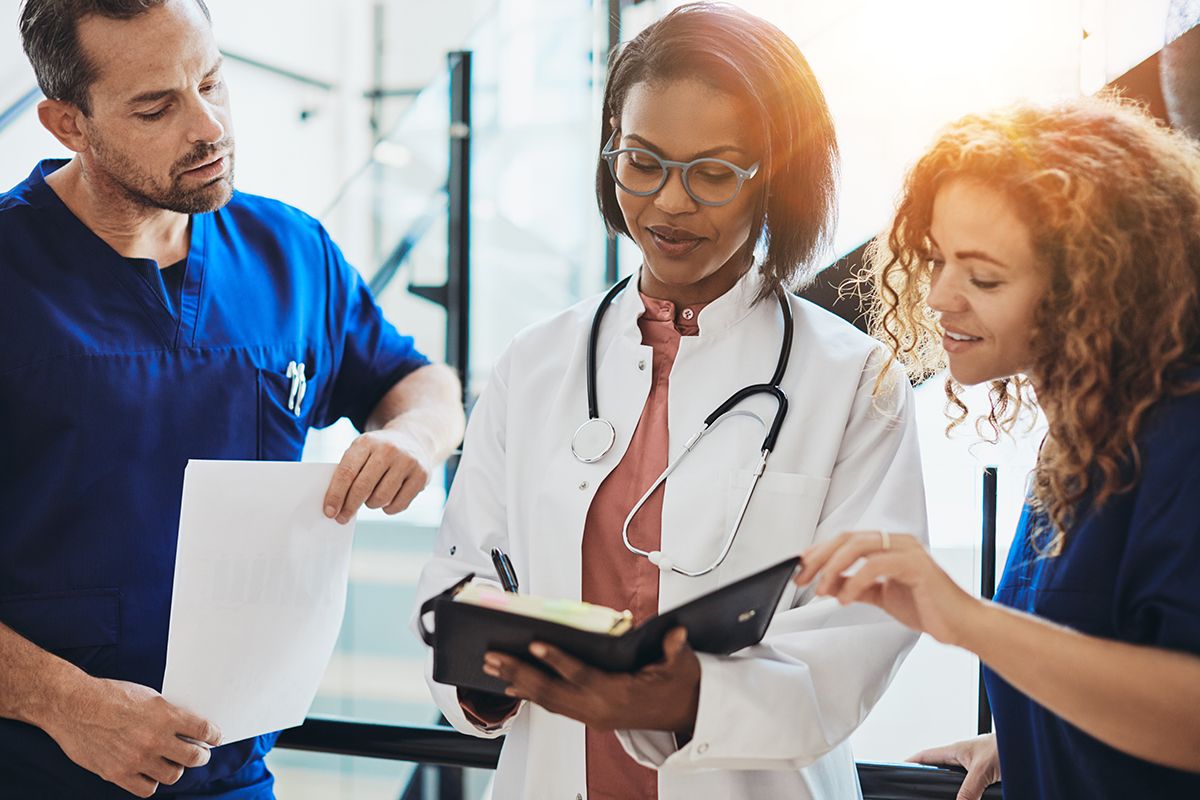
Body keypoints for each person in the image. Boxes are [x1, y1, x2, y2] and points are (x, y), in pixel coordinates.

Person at [413, 3, 927, 798]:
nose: (670, 204)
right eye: (642, 162)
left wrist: (686, 698)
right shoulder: (534, 364)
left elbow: (859, 633)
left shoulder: (855, 380)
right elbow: (461, 573)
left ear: (777, 177)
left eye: (714, 172)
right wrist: (480, 679)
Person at [0, 0, 465, 797]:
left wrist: (415, 438)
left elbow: (415, 381)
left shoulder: (290, 252)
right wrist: (66, 703)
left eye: (213, 82)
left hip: (234, 774)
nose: (208, 125)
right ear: (66, 124)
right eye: (157, 106)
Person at [796, 95, 1200, 799]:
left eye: (983, 276)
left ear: (1092, 287)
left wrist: (966, 620)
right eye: (937, 259)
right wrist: (1027, 732)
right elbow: (1099, 657)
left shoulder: (1180, 442)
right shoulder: (1081, 438)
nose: (941, 297)